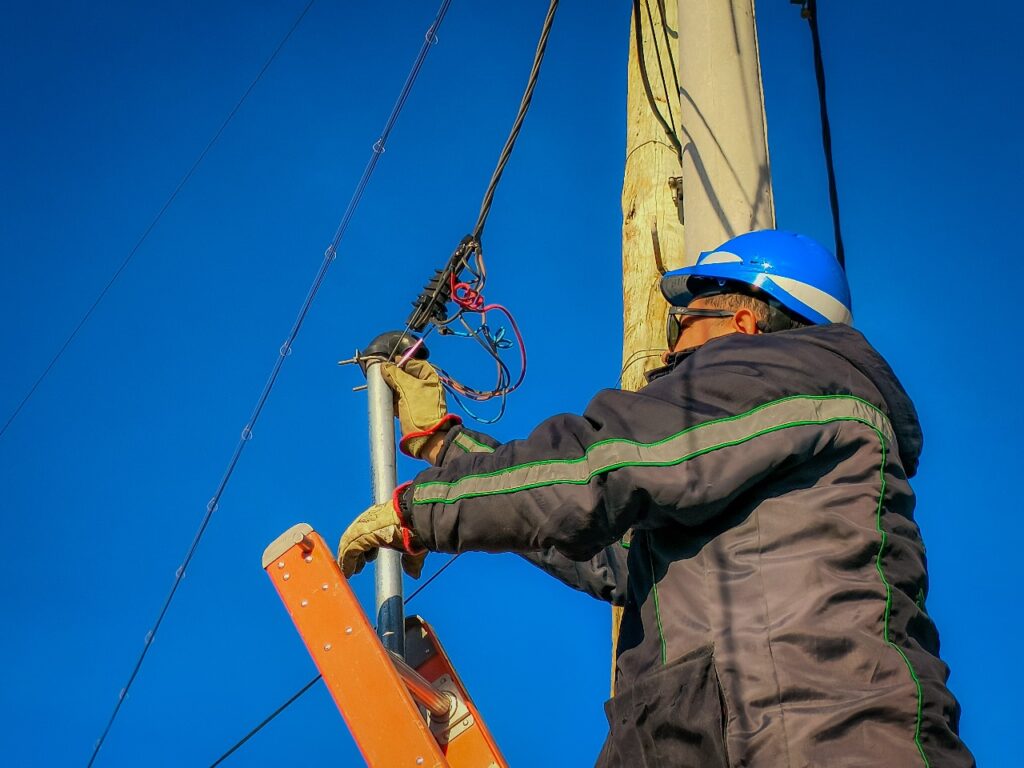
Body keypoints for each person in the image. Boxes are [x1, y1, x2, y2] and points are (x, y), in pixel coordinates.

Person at [338, 229, 974, 767]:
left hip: (813, 743)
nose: (668, 348)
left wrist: (423, 509)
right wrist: (448, 449)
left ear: (744, 323)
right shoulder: (785, 437)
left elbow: (600, 467)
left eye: (684, 321)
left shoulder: (780, 377)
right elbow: (615, 550)